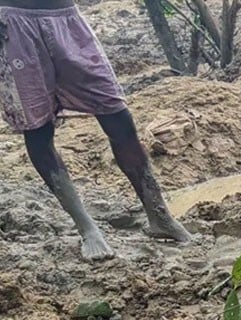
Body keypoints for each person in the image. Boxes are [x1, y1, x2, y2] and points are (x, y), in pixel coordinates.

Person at [0, 0, 192, 261]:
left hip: (66, 17)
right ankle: (86, 227)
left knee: (117, 117)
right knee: (38, 128)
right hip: (12, 21)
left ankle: (160, 217)